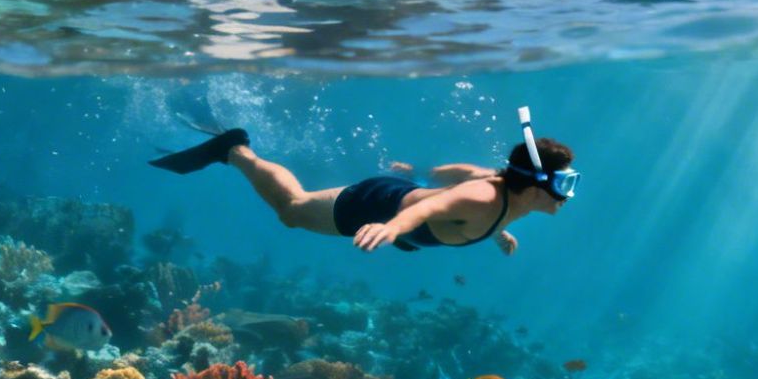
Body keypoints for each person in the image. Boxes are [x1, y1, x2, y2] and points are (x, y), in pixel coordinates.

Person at [148, 109, 577, 254]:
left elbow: (448, 179)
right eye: (564, 184)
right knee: (292, 212)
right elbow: (426, 208)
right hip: (381, 205)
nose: (567, 195)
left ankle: (234, 150)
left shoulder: (508, 195)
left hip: (406, 209)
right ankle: (236, 150)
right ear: (538, 185)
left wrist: (498, 231)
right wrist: (391, 228)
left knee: (295, 213)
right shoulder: (483, 197)